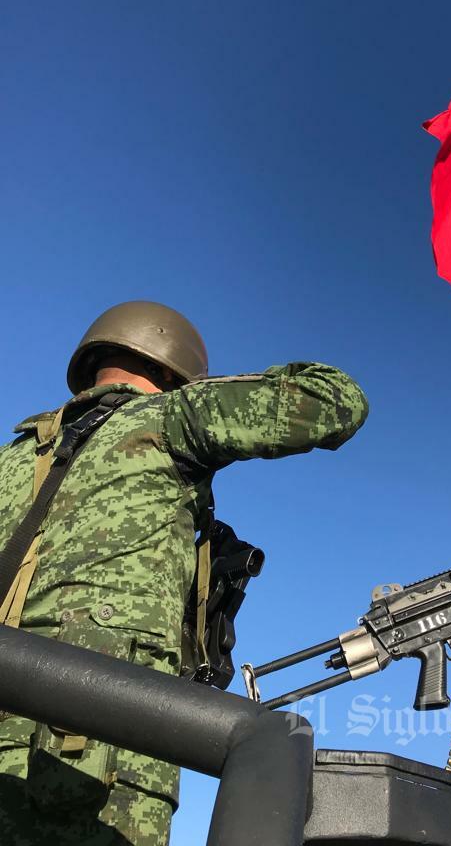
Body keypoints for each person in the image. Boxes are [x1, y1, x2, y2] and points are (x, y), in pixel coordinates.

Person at [0, 301, 368, 846]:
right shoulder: (171, 417)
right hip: (96, 732)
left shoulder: (13, 458)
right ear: (171, 372)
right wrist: (204, 392)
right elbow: (337, 399)